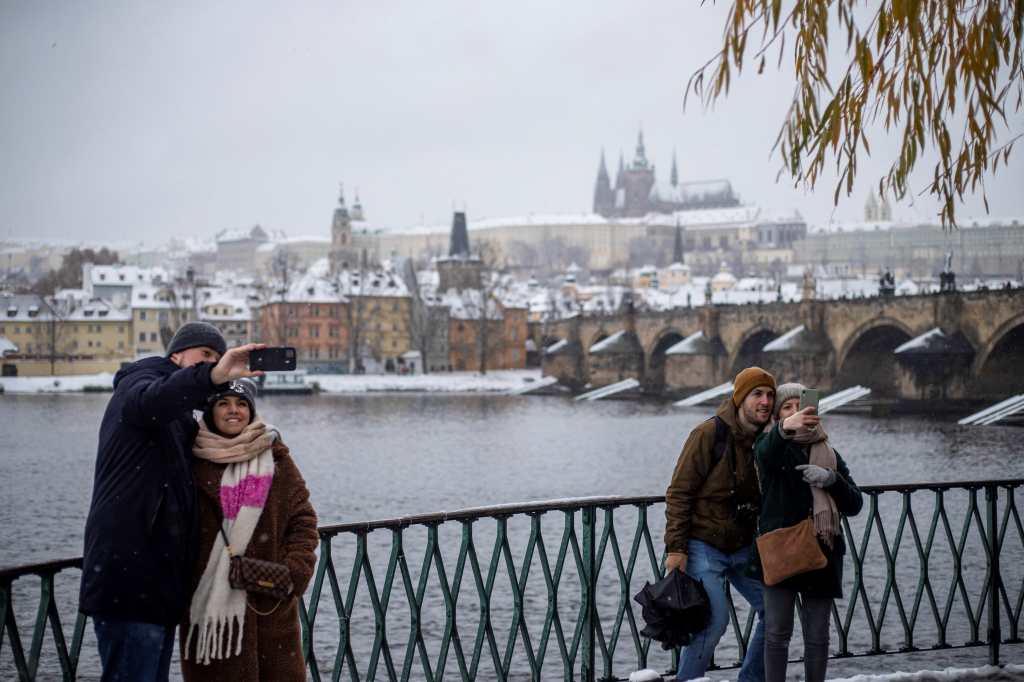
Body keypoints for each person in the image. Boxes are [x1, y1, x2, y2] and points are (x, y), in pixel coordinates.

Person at [80, 322, 265, 682]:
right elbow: (154, 399)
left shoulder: (179, 415)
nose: (211, 362)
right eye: (205, 354)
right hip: (130, 582)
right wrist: (212, 375)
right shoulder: (140, 381)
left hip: (157, 586)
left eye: (216, 356)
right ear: (176, 354)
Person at [180, 378, 318, 681]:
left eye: (242, 404)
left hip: (271, 606)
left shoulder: (275, 458)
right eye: (223, 403)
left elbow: (303, 521)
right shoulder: (189, 461)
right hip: (210, 615)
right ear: (210, 411)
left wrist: (294, 570)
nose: (234, 410)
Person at [664, 366, 776, 682]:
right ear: (740, 398)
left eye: (770, 395)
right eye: (757, 394)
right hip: (704, 544)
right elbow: (679, 493)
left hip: (743, 545)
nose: (765, 401)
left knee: (776, 613)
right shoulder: (708, 434)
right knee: (713, 621)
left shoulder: (768, 440)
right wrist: (676, 548)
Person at [752, 383, 863, 682]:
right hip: (782, 549)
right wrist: (785, 429)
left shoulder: (829, 451)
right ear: (778, 416)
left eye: (800, 407)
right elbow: (765, 455)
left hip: (823, 551)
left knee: (817, 636)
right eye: (787, 408)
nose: (795, 412)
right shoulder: (770, 445)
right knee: (777, 633)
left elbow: (855, 504)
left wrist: (832, 480)